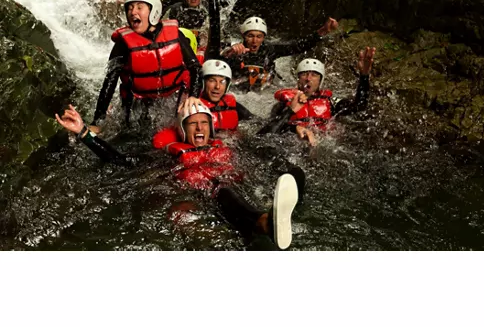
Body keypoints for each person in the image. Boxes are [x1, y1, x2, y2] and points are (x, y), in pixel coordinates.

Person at [55, 103, 304, 250]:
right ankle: (260, 224)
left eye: (204, 123)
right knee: (199, 203)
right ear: (183, 130)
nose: (199, 128)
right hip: (192, 196)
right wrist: (84, 133)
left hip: (230, 194)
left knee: (229, 186)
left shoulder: (225, 149)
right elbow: (122, 161)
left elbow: (262, 139)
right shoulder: (171, 156)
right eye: (192, 124)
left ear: (211, 128)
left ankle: (263, 222)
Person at [90, 0, 203, 133]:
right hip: (137, 103)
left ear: (153, 11)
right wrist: (97, 121)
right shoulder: (123, 44)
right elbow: (109, 82)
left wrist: (193, 96)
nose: (133, 12)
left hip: (172, 99)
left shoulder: (175, 34)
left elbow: (195, 68)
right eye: (130, 8)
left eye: (139, 7)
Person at [259, 47, 376, 146]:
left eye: (314, 75)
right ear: (298, 79)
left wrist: (364, 76)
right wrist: (294, 128)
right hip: (292, 145)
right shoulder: (285, 104)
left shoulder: (331, 102)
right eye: (304, 74)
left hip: (323, 145)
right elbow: (266, 135)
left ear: (320, 81)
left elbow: (360, 105)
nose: (308, 78)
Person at [121, 0, 219, 61]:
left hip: (201, 53)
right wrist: (135, 4)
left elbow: (216, 33)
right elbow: (152, 26)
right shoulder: (173, 10)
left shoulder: (208, 10)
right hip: (179, 49)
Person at [220, 15, 339, 91]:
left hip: (265, 91)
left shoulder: (270, 50)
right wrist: (228, 53)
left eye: (259, 37)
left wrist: (323, 31)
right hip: (241, 92)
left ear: (264, 37)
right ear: (243, 36)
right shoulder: (234, 51)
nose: (255, 41)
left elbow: (298, 47)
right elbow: (216, 60)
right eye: (250, 36)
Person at [198, 59, 253, 132]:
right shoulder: (195, 106)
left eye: (222, 82)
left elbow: (254, 120)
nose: (217, 86)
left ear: (227, 86)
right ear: (203, 83)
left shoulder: (230, 104)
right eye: (212, 80)